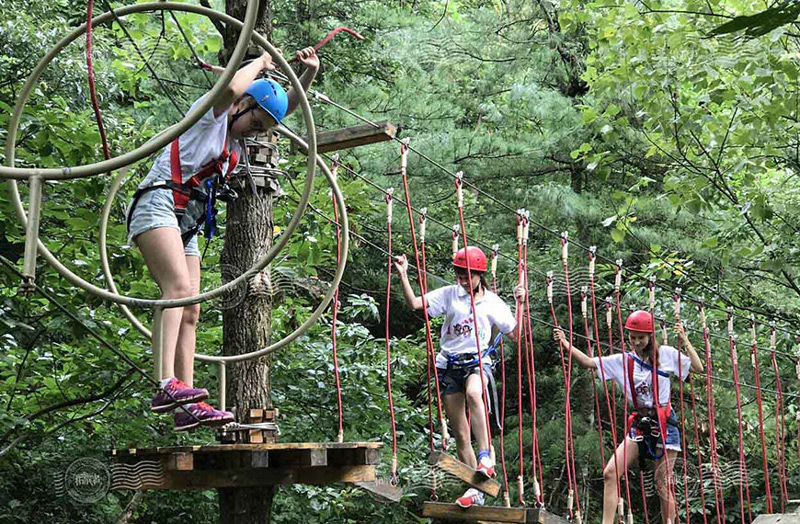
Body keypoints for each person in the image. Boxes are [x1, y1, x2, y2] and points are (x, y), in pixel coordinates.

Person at [127, 47, 320, 431]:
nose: (256, 132)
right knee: (177, 289)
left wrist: (307, 74)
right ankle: (165, 383)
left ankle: (186, 400)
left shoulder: (236, 137)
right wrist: (262, 63)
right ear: (243, 106)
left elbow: (280, 107)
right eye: (255, 123)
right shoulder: (211, 116)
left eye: (262, 129)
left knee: (193, 308)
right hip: (159, 205)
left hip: (187, 222)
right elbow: (233, 87)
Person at [394, 246, 526, 508]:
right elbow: (414, 304)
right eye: (460, 276)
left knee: (475, 393)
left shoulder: (492, 302)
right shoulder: (449, 295)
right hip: (448, 365)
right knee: (460, 435)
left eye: (469, 276)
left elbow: (515, 335)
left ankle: (486, 457)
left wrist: (521, 304)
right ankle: (474, 488)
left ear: (480, 276)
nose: (464, 281)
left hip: (478, 362)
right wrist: (404, 275)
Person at [554, 311, 703, 524]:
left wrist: (685, 341)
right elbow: (588, 363)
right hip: (641, 425)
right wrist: (566, 344)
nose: (636, 341)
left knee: (662, 482)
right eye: (632, 337)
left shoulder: (667, 355)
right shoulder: (622, 361)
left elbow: (698, 368)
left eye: (640, 337)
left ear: (650, 336)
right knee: (610, 472)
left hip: (664, 423)